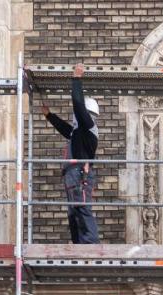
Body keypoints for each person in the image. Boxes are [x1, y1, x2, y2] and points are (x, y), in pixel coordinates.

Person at [38, 64, 101, 244]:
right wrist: (50, 115)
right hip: (72, 175)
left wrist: (76, 79)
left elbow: (78, 105)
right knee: (73, 211)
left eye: (78, 114)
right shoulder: (77, 132)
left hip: (81, 174)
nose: (75, 116)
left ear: (86, 114)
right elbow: (65, 129)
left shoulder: (88, 128)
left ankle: (90, 243)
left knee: (81, 207)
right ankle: (78, 243)